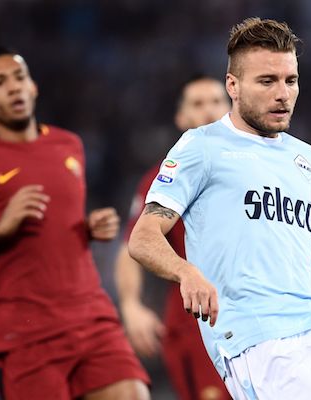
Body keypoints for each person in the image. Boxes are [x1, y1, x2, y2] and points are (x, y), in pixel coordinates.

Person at [128, 17, 311, 400]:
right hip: (256, 338)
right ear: (233, 85)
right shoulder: (201, 147)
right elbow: (143, 237)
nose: (283, 94)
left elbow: (309, 262)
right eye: (267, 81)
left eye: (290, 81)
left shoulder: (308, 160)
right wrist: (186, 272)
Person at [0, 46, 150, 400]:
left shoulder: (69, 145)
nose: (13, 87)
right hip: (26, 331)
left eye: (19, 77)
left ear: (33, 87)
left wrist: (87, 228)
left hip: (90, 316)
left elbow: (54, 226)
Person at [115, 75, 230, 400]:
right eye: (197, 104)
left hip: (257, 317)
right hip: (199, 323)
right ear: (182, 119)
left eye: (216, 101)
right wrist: (131, 305)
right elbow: (131, 247)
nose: (209, 110)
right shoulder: (164, 178)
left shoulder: (257, 169)